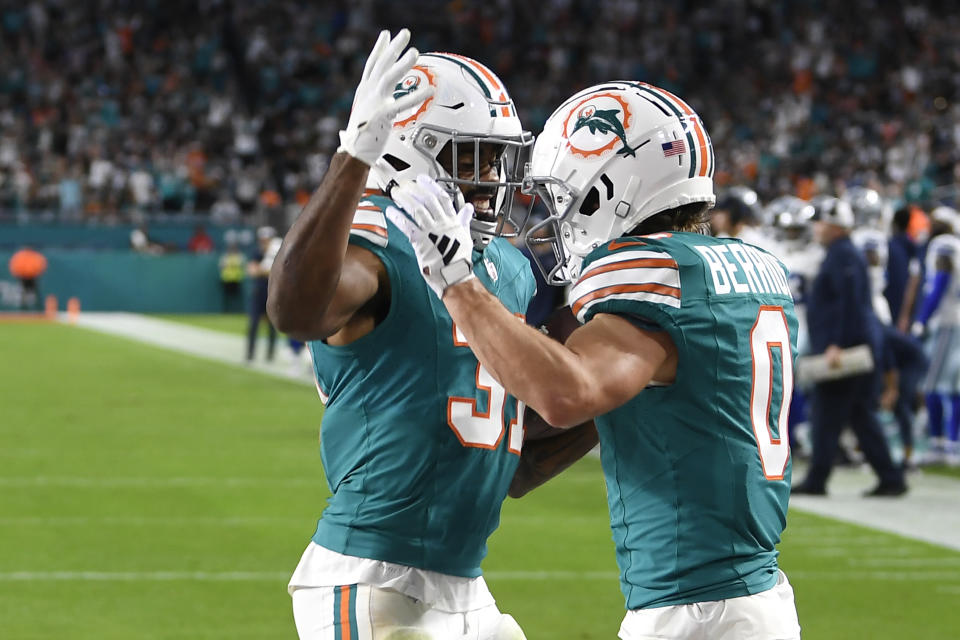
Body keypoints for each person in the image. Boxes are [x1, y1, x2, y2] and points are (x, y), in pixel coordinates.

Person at [390, 81, 801, 640]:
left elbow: (568, 395)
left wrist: (455, 283)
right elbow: (584, 425)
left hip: (701, 612)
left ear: (610, 187)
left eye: (562, 195)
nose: (554, 214)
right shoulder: (742, 271)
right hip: (748, 598)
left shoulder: (655, 278)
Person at [266, 30, 538, 639]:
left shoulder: (507, 266)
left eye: (498, 156)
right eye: (474, 157)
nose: (494, 175)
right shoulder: (377, 241)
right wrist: (353, 157)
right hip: (374, 576)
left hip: (465, 580)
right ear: (413, 150)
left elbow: (512, 453)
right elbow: (296, 311)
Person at [792, 197, 908, 496]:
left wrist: (835, 344)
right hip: (854, 345)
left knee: (826, 414)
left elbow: (850, 303)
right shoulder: (841, 253)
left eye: (820, 222)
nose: (816, 228)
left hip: (846, 349)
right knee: (860, 416)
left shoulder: (843, 254)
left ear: (834, 224)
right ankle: (890, 477)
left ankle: (818, 479)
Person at [912, 207, 960, 466]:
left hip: (946, 322)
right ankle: (952, 443)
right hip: (955, 321)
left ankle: (939, 443)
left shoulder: (945, 245)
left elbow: (940, 282)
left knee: (930, 383)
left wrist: (921, 319)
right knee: (953, 387)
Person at [246, 226, 278, 362]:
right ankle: (250, 354)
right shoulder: (256, 252)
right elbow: (252, 271)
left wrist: (263, 269)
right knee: (253, 323)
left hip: (271, 292)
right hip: (258, 292)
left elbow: (276, 272)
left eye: (267, 240)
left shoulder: (277, 252)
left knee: (272, 325)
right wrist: (266, 270)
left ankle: (270, 354)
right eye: (262, 240)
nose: (264, 242)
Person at [8, 246, 47, 311]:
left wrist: (35, 272)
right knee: (23, 294)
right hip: (23, 277)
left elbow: (41, 265)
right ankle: (23, 309)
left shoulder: (34, 256)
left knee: (35, 294)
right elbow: (14, 265)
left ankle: (38, 309)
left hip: (32, 277)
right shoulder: (21, 256)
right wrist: (19, 273)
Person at [218, 233, 245, 313]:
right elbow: (221, 266)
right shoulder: (225, 257)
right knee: (227, 298)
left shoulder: (239, 256)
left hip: (237, 280)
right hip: (226, 280)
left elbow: (242, 265)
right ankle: (226, 312)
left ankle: (238, 311)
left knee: (237, 298)